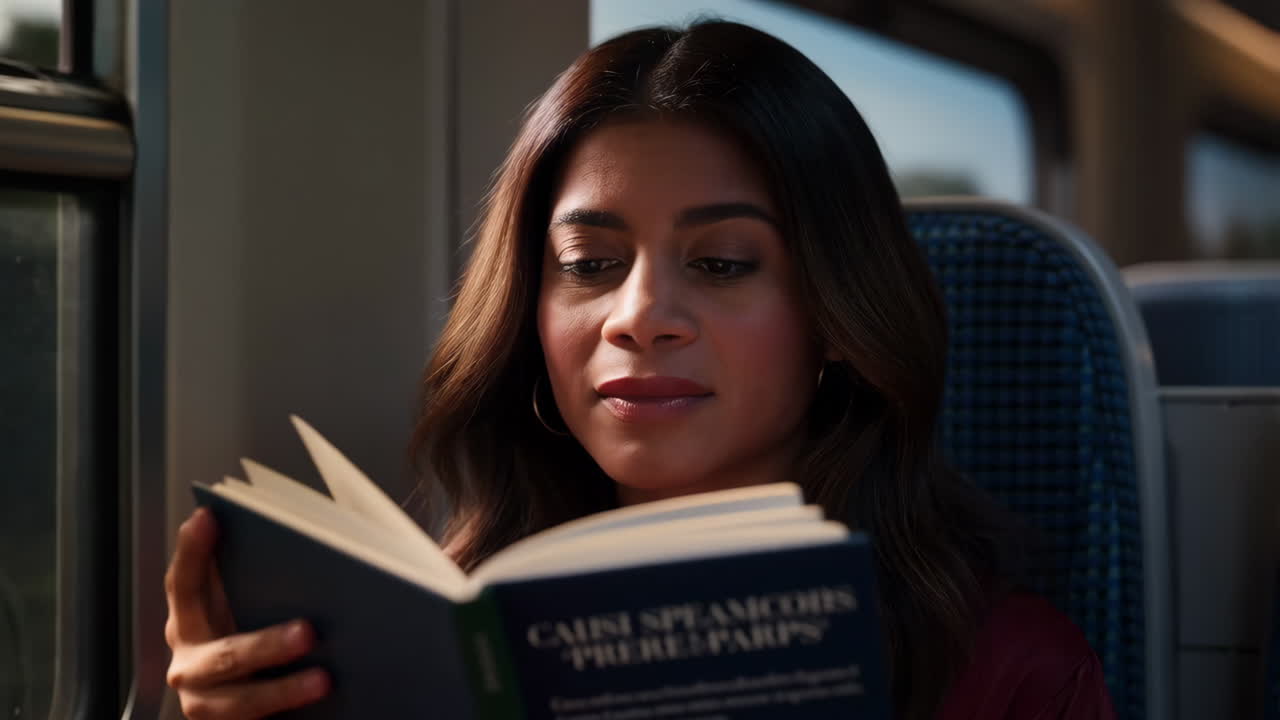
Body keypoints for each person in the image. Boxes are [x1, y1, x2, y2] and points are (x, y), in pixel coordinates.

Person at [163, 21, 1116, 720]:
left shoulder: (1008, 675)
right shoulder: (421, 639)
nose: (639, 318)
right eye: (589, 266)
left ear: (835, 314)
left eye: (722, 263)